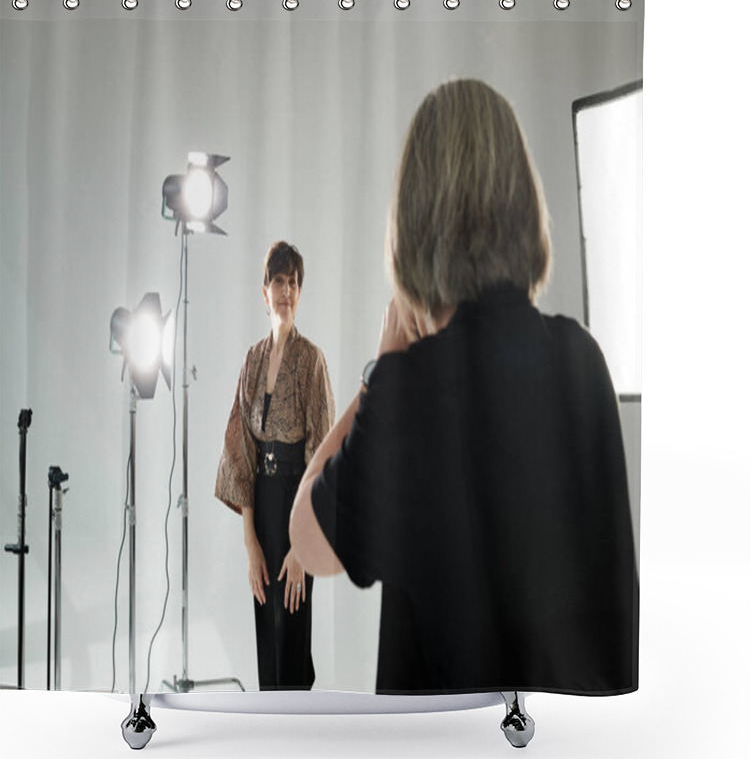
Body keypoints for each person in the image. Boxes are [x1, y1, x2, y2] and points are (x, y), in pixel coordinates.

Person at [290, 79, 638, 695]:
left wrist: (383, 364)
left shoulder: (412, 394)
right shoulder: (584, 361)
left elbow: (308, 539)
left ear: (416, 226)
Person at [215, 241, 334, 690]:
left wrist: (302, 547)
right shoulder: (252, 360)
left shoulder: (311, 359)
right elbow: (239, 451)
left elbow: (320, 457)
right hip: (261, 504)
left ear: (299, 293)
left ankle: (300, 739)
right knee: (268, 631)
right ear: (264, 290)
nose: (287, 290)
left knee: (293, 636)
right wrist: (250, 543)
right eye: (279, 281)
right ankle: (269, 737)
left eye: (294, 283)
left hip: (296, 503)